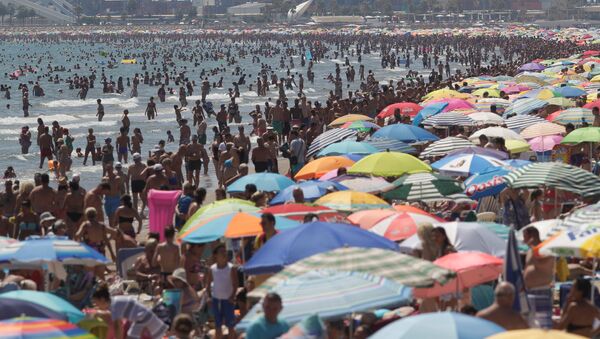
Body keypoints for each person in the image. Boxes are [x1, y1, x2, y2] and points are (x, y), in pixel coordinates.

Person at [523, 226, 555, 329]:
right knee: (530, 325)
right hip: (529, 291)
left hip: (541, 291)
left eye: (524, 236)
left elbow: (543, 264)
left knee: (543, 326)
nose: (523, 240)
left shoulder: (544, 249)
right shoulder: (530, 250)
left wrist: (532, 247)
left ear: (529, 235)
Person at [205, 244, 238, 339]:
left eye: (225, 251)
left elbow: (236, 284)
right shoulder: (212, 269)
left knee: (230, 326)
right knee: (218, 326)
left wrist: (232, 297)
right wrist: (209, 298)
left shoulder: (231, 268)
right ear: (216, 255)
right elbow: (208, 285)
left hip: (228, 301)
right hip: (216, 300)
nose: (224, 253)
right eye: (221, 252)